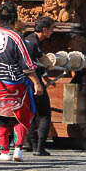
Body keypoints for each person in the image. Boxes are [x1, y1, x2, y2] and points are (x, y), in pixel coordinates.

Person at [0, 2, 42, 163]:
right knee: (21, 115)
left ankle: (4, 151)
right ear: (15, 18)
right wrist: (37, 83)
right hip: (15, 83)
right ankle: (18, 149)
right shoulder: (16, 37)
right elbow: (26, 63)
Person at [23, 16, 54, 156]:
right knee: (45, 113)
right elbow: (40, 61)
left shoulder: (28, 38)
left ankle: (31, 144)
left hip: (24, 81)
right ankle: (40, 147)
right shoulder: (33, 43)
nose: (52, 32)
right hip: (32, 80)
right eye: (51, 29)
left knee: (31, 113)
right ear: (44, 30)